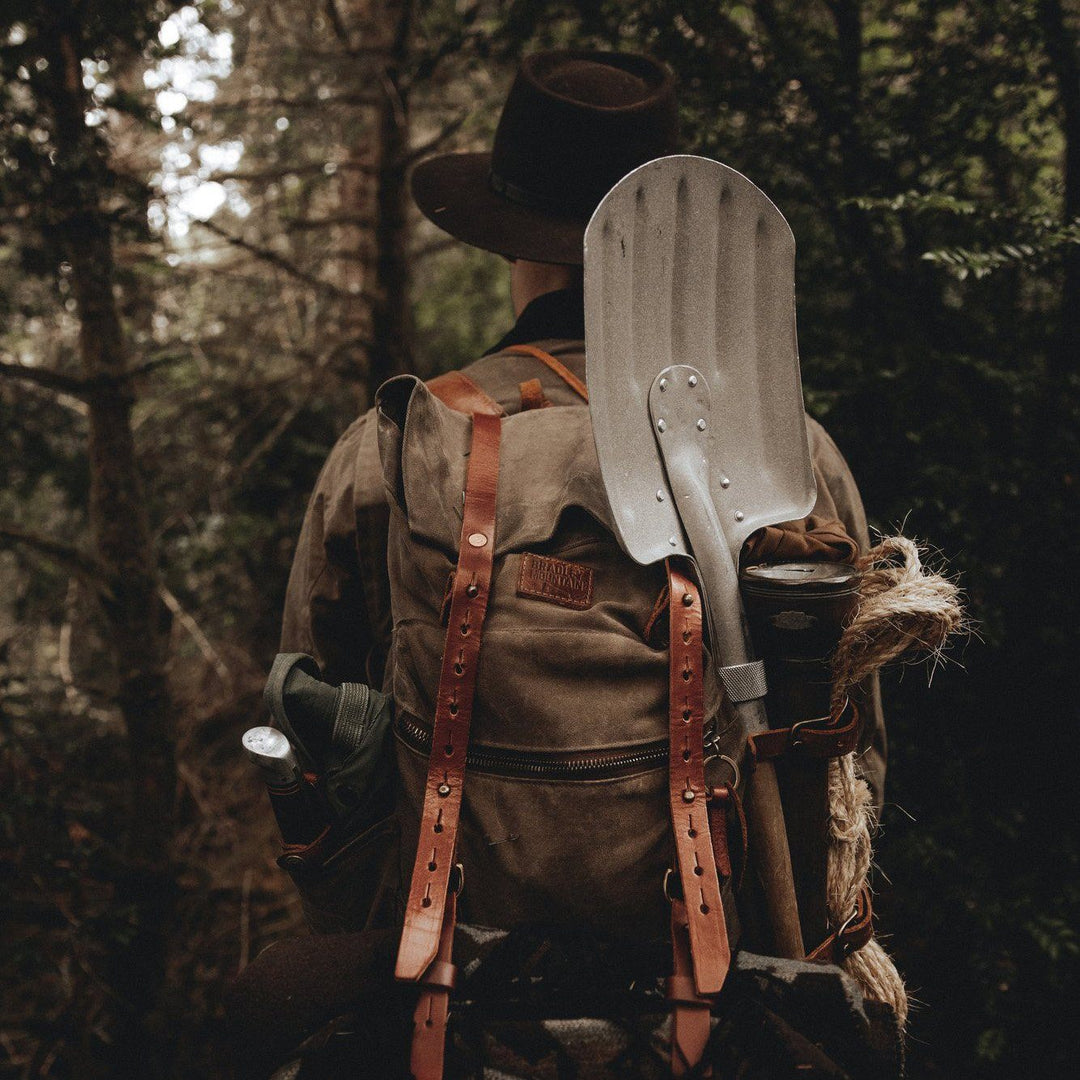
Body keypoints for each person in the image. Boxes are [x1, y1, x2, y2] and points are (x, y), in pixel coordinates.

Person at [280, 50, 886, 829]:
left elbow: (313, 724)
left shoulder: (396, 443)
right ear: (666, 244)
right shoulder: (789, 455)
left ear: (504, 238)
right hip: (733, 928)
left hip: (448, 928)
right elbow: (855, 753)